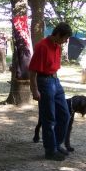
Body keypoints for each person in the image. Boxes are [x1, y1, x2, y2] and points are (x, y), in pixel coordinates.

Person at [29, 22, 72, 161]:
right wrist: (34, 90)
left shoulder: (58, 47)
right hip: (44, 82)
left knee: (65, 114)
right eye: (65, 38)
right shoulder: (42, 46)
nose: (65, 41)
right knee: (49, 118)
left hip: (55, 81)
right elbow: (32, 70)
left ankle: (57, 144)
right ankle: (50, 150)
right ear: (58, 34)